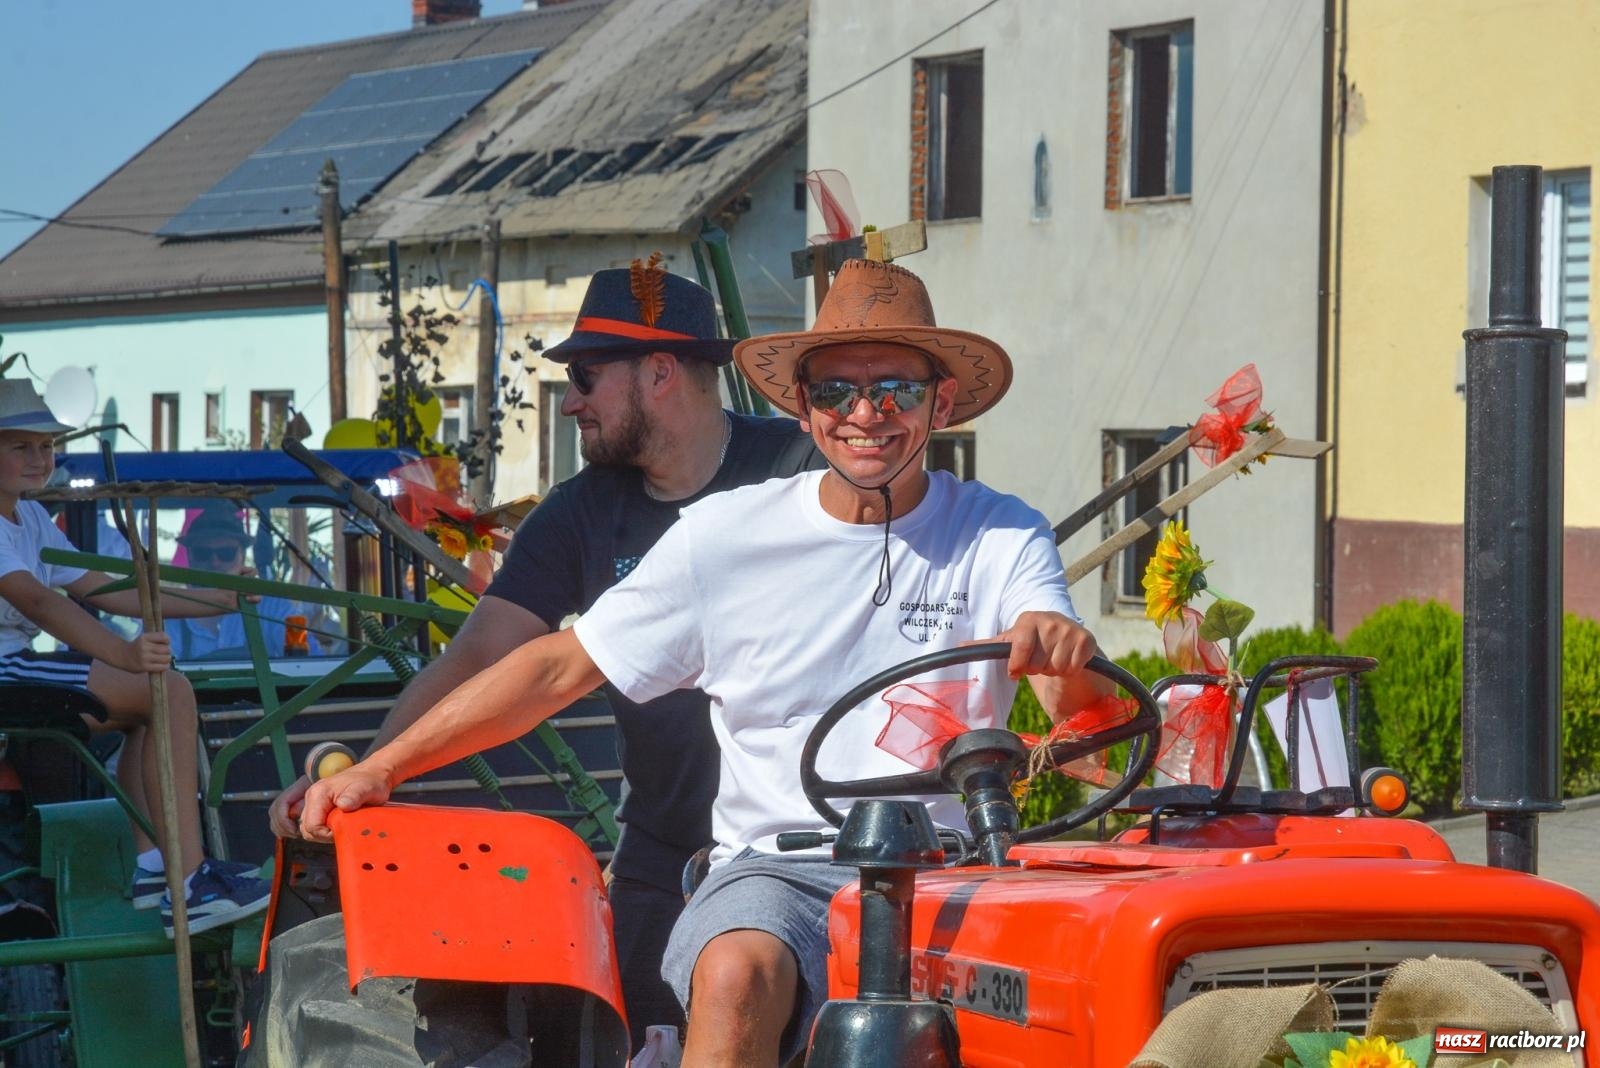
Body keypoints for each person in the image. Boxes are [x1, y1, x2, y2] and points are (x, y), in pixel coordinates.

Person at [298, 259, 1114, 1065]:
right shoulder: (723, 535)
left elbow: (1088, 737)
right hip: (780, 868)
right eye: (835, 391)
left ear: (940, 402)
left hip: (952, 869)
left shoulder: (1002, 533)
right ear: (802, 407)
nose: (866, 413)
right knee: (735, 971)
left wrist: (1067, 665)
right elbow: (554, 666)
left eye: (896, 389)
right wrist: (385, 766)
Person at [268, 263, 819, 1053]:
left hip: (801, 847)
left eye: (587, 377)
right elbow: (482, 657)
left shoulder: (798, 476)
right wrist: (373, 768)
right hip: (667, 849)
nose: (570, 402)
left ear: (661, 372)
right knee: (617, 1039)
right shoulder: (581, 511)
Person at [0, 378, 271, 937]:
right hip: (6, 669)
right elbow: (36, 600)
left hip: (17, 664)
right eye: (19, 446)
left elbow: (104, 589)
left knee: (155, 704)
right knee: (167, 690)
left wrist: (213, 598)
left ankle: (156, 869)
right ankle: (189, 879)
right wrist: (124, 652)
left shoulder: (28, 518)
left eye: (46, 446)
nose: (38, 458)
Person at [164, 502, 323, 660]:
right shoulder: (168, 612)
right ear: (189, 556)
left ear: (243, 554)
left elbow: (310, 662)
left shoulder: (274, 606)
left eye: (226, 553)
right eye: (202, 553)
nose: (215, 562)